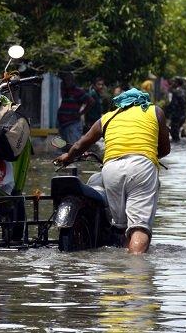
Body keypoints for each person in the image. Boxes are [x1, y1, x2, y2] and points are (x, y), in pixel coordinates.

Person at [55, 88, 171, 254]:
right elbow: (165, 149)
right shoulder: (155, 111)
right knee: (139, 227)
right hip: (142, 166)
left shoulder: (108, 117)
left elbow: (80, 144)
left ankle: (121, 265)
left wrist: (67, 157)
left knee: (120, 227)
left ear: (120, 105)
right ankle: (136, 270)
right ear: (142, 101)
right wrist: (148, 154)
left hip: (111, 169)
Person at [57, 72, 95, 146]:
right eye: (65, 80)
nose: (66, 82)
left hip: (72, 125)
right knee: (64, 149)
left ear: (73, 81)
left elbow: (91, 101)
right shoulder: (64, 91)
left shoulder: (78, 91)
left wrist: (81, 113)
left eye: (68, 80)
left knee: (73, 148)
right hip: (63, 125)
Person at [164, 76, 186, 142]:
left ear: (177, 83)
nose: (173, 83)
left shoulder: (175, 92)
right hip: (182, 116)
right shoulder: (184, 91)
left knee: (175, 135)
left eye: (174, 82)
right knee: (176, 133)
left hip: (176, 116)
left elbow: (172, 105)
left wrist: (166, 114)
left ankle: (177, 150)